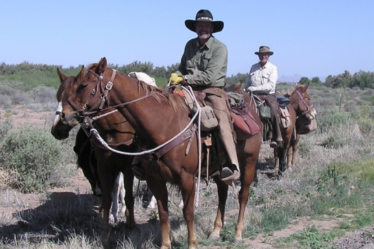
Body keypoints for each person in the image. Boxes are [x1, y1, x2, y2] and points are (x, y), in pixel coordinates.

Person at [168, 9, 239, 185]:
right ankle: (145, 158)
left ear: (212, 28)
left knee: (222, 119)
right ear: (195, 28)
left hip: (212, 90)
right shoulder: (189, 45)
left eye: (207, 25)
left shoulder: (220, 48)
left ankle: (229, 163)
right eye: (200, 25)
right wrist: (175, 76)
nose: (203, 28)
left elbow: (210, 77)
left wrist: (185, 78)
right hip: (189, 89)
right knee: (163, 106)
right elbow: (182, 67)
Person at [244, 46, 282, 148]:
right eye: (261, 54)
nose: (263, 56)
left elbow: (271, 86)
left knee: (273, 110)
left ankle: (276, 136)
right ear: (259, 55)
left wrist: (253, 89)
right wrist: (244, 90)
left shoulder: (273, 68)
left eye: (266, 54)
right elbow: (248, 83)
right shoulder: (253, 67)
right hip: (253, 95)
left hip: (268, 95)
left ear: (268, 56)